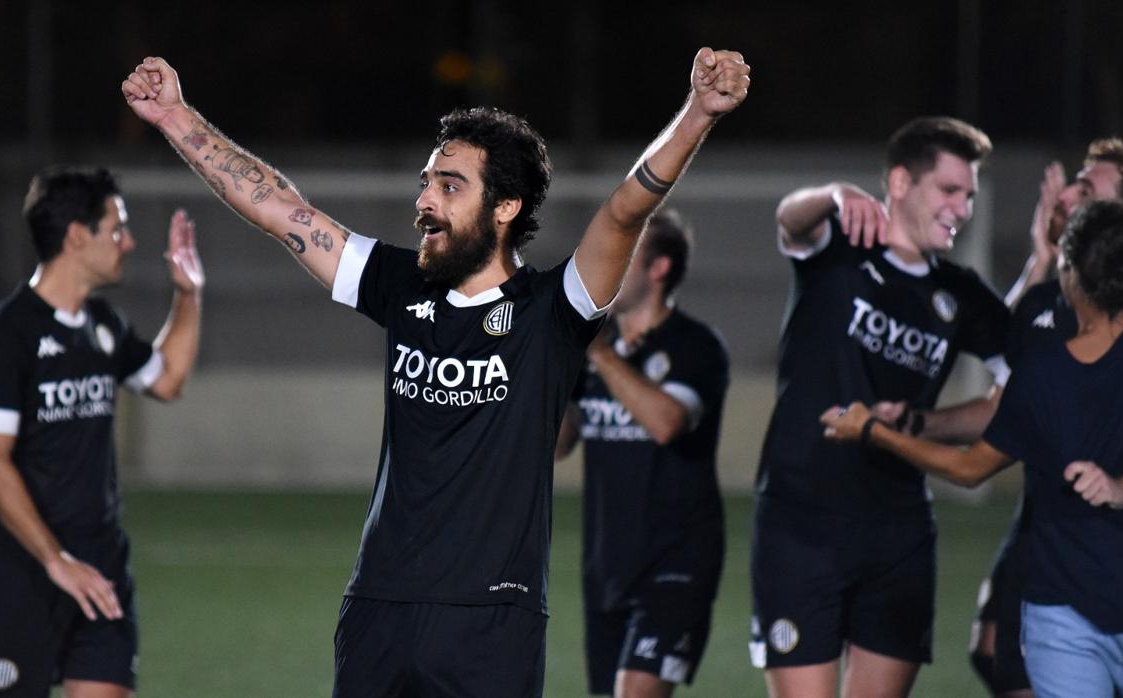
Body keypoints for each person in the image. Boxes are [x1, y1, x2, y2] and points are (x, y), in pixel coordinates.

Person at [121, 50, 749, 697]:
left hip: (491, 622)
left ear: (505, 208)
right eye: (426, 181)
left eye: (449, 186)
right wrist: (175, 117)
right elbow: (282, 211)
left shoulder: (552, 311)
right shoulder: (401, 285)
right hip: (379, 607)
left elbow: (623, 212)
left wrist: (698, 113)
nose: (424, 200)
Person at [822, 199, 1123, 698]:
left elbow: (970, 469)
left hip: (1096, 609)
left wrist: (872, 432)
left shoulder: (1043, 373)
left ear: (1068, 270)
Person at [750, 116, 1010, 697]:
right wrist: (834, 194)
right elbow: (789, 218)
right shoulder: (838, 248)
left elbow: (1018, 397)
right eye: (948, 190)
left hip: (898, 531)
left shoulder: (963, 294)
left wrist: (927, 423)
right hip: (800, 521)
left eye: (968, 194)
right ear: (898, 182)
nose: (962, 208)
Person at [0, 167, 204, 698]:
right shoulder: (4, 334)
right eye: (117, 228)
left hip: (101, 567)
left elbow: (168, 379)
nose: (129, 242)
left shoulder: (103, 325)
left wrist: (189, 294)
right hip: (22, 571)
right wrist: (54, 560)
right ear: (76, 235)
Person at [963, 139, 1123, 698]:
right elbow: (1003, 388)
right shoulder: (1054, 304)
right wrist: (1040, 259)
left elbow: (986, 439)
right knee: (993, 652)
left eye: (1086, 189)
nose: (1064, 194)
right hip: (1052, 539)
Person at [555, 209, 729, 697]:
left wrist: (602, 355)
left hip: (677, 563)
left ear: (658, 269)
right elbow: (559, 445)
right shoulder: (590, 349)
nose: (607, 264)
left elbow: (667, 422)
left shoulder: (696, 347)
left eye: (624, 254)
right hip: (607, 563)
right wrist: (546, 371)